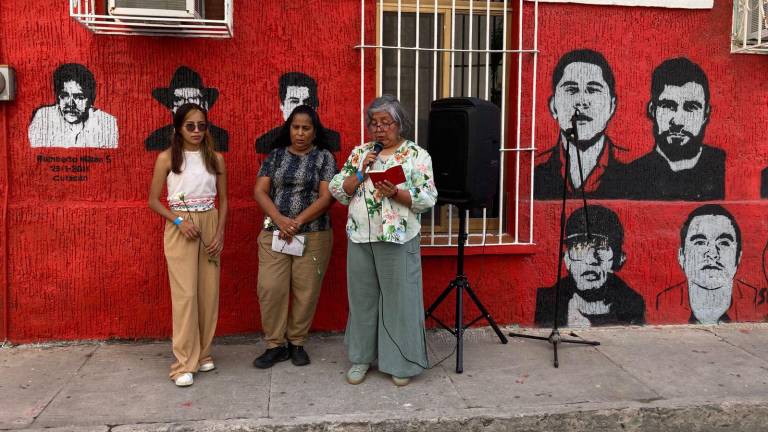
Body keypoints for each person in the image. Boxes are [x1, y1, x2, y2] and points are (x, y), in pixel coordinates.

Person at [329, 95, 437, 386]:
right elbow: (338, 190)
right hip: (360, 236)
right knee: (362, 301)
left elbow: (428, 198)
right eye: (374, 123)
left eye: (385, 122)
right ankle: (362, 358)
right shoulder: (360, 153)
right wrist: (361, 171)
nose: (379, 129)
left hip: (398, 238)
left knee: (399, 301)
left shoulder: (416, 155)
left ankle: (400, 362)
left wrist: (396, 193)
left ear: (399, 124)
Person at [148, 103, 228, 387]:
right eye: (190, 126)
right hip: (181, 227)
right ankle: (183, 362)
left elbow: (225, 200)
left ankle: (204, 353)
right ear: (178, 129)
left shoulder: (215, 159)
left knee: (208, 293)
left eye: (201, 126)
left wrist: (219, 233)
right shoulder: (167, 158)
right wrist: (180, 222)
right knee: (185, 296)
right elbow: (154, 201)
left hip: (209, 222)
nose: (196, 131)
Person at [252, 105, 337, 368]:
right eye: (295, 127)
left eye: (306, 128)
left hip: (314, 234)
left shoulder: (325, 158)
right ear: (289, 129)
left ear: (314, 132)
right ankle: (275, 345)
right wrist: (280, 220)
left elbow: (327, 197)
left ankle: (297, 342)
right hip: (274, 233)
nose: (300, 133)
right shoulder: (276, 156)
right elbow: (260, 191)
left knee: (306, 291)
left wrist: (297, 221)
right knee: (270, 288)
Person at [623, 58, 724, 201]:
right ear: (652, 110)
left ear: (706, 114)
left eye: (691, 108)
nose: (678, 121)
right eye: (668, 106)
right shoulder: (630, 176)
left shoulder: (724, 168)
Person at [534, 49, 627, 200]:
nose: (582, 101)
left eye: (593, 90)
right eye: (571, 89)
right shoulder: (533, 172)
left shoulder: (632, 170)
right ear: (553, 107)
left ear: (612, 106)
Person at [534, 205, 645, 327]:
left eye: (601, 248)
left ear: (618, 259)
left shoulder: (632, 303)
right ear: (566, 259)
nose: (591, 259)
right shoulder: (548, 301)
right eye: (579, 247)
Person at [655, 205, 758, 324]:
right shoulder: (666, 300)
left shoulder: (754, 299)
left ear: (738, 258)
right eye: (700, 242)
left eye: (724, 243)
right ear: (682, 256)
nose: (713, 253)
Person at [28, 63, 118, 148]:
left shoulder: (107, 123)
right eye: (64, 96)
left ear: (90, 99)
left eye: (79, 97)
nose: (71, 104)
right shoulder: (43, 117)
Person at [146, 66, 229, 151]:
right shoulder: (156, 139)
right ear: (172, 106)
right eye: (180, 99)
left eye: (194, 99)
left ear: (204, 104)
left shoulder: (220, 137)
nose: (187, 104)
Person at [255, 72, 341, 154]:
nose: (301, 108)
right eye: (294, 101)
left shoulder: (333, 140)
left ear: (316, 106)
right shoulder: (265, 143)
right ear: (282, 105)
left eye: (307, 102)